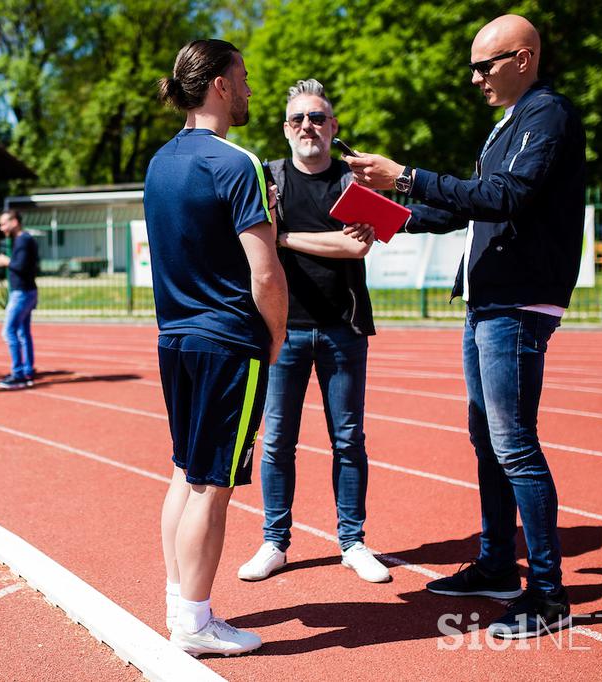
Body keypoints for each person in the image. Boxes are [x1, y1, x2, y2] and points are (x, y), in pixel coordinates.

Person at [345, 14, 585, 639]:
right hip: (488, 303)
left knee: (514, 445)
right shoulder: (507, 125)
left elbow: (505, 198)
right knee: (488, 442)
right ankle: (500, 565)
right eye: (473, 66)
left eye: (486, 64)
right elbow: (468, 209)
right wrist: (388, 217)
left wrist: (407, 175)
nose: (474, 77)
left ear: (524, 57)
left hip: (517, 304)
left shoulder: (547, 114)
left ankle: (549, 594)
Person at [145, 39, 287, 657]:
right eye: (246, 77)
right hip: (228, 340)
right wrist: (275, 338)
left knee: (184, 471)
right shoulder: (238, 164)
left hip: (174, 338)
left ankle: (181, 603)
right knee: (213, 484)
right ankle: (196, 623)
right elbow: (265, 272)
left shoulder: (159, 163)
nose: (251, 89)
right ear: (222, 85)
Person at [236, 79, 389, 585]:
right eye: (299, 118)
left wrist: (284, 237)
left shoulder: (354, 182)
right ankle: (274, 541)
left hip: (343, 330)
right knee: (277, 440)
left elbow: (356, 249)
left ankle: (353, 541)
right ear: (285, 128)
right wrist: (302, 238)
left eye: (318, 118)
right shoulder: (266, 178)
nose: (309, 126)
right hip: (282, 331)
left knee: (348, 440)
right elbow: (251, 247)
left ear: (334, 127)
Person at [0, 210, 39, 389]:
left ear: (14, 222)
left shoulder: (22, 240)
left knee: (9, 332)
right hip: (28, 291)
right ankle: (26, 369)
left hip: (21, 292)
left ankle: (19, 373)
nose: (2, 228)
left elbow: (20, 265)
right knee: (22, 332)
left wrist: (5, 261)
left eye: (4, 224)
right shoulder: (26, 239)